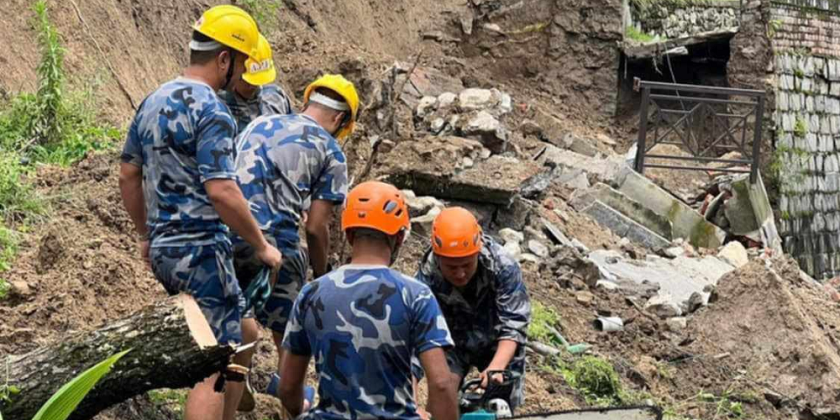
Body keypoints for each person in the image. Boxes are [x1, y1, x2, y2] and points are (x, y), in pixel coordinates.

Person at [118, 6, 282, 420]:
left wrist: (145, 235)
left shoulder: (152, 100)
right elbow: (222, 191)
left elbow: (128, 174)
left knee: (244, 330)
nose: (240, 73)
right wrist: (261, 245)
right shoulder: (212, 110)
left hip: (166, 251)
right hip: (201, 250)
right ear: (224, 59)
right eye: (240, 63)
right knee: (214, 361)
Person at [278, 181, 460, 420]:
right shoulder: (416, 295)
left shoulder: (311, 293)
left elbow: (288, 387)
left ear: (350, 234)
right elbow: (442, 384)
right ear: (399, 237)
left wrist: (300, 409)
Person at [229, 74, 359, 403]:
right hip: (274, 241)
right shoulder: (332, 153)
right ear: (341, 119)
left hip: (225, 224)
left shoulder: (260, 122)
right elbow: (316, 228)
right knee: (289, 325)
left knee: (236, 307)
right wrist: (321, 271)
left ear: (307, 103)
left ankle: (234, 370)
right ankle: (292, 396)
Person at [412, 207, 531, 413]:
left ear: (477, 252)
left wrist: (497, 367)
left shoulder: (503, 266)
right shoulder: (425, 279)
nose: (460, 274)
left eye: (467, 265)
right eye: (451, 267)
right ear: (438, 259)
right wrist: (411, 405)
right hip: (452, 341)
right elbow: (415, 339)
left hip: (498, 340)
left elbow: (514, 325)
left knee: (501, 403)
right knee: (442, 395)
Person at [218, 33, 293, 131]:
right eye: (248, 81)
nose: (253, 86)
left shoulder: (276, 97)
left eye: (258, 80)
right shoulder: (220, 108)